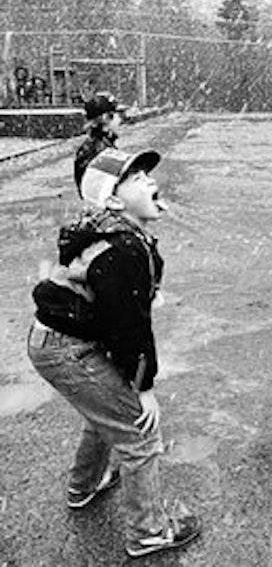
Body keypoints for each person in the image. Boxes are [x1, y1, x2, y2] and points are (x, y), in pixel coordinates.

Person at [27, 147, 201, 559]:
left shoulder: (115, 235)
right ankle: (149, 532)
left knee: (105, 411)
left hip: (55, 341)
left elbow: (116, 318)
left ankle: (84, 486)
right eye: (138, 179)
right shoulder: (122, 251)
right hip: (67, 349)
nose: (152, 181)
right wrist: (143, 387)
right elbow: (129, 330)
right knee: (139, 432)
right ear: (114, 201)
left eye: (148, 175)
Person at [74, 91, 127, 193]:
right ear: (106, 118)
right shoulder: (99, 151)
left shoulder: (100, 145)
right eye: (118, 115)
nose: (120, 120)